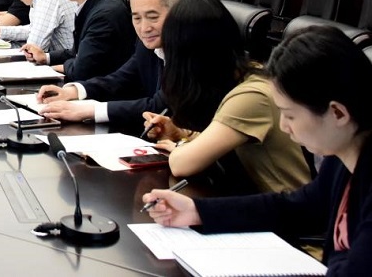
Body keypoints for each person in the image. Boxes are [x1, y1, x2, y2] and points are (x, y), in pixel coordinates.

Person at [144, 26, 372, 275]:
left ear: (337, 113)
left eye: (290, 115)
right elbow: (300, 206)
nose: (283, 126)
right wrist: (196, 211)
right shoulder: (342, 153)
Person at [142, 0, 310, 194]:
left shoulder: (252, 96)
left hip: (287, 209)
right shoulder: (241, 75)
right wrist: (180, 134)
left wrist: (181, 148)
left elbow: (181, 164)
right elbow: (224, 135)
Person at [38, 0, 179, 135]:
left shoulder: (189, 49)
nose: (144, 28)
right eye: (137, 18)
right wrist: (74, 91)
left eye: (152, 17)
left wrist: (90, 110)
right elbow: (122, 78)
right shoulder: (146, 42)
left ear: (176, 12)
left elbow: (159, 106)